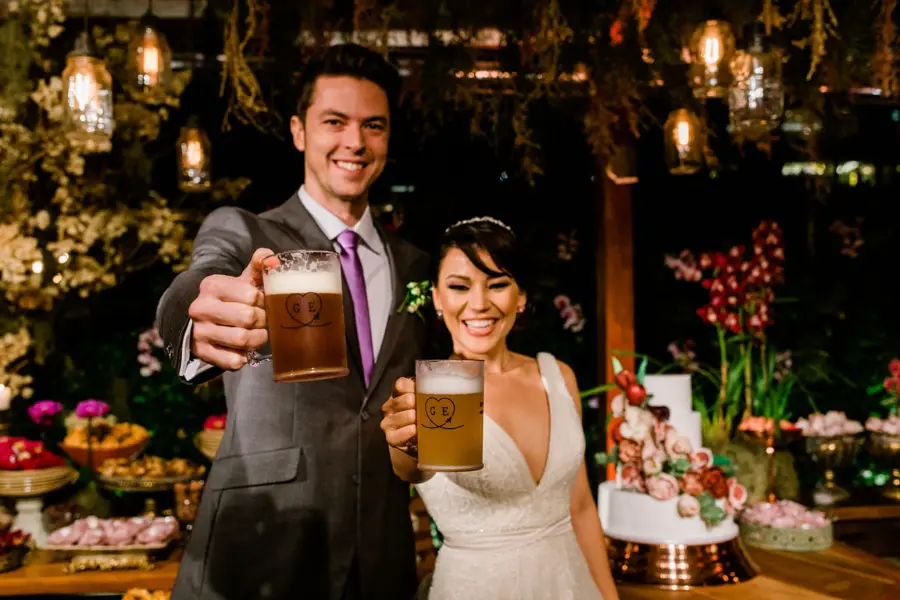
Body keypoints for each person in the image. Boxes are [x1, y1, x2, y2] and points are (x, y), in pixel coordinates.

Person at [156, 44, 429, 600]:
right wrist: (201, 319)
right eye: (335, 122)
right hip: (260, 552)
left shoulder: (416, 265)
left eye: (373, 126)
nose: (355, 142)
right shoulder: (248, 233)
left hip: (382, 557)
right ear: (300, 131)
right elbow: (201, 280)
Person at [380, 217, 620, 600]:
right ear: (437, 298)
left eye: (498, 284)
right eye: (460, 287)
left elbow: (581, 507)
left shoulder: (557, 376)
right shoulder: (431, 393)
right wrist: (403, 444)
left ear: (520, 296)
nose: (479, 303)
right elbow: (410, 465)